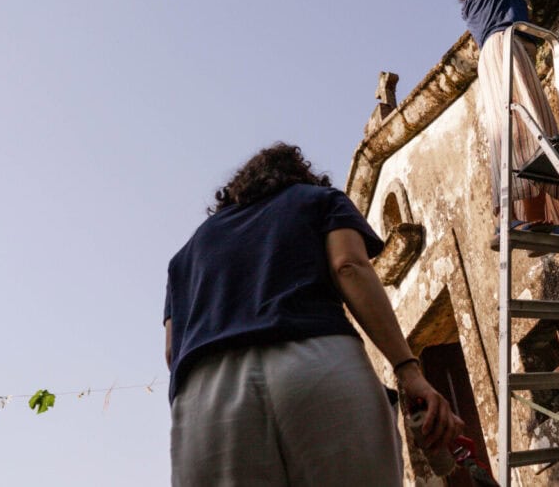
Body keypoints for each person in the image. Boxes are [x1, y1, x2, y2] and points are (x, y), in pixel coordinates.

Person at [163, 143, 463, 486]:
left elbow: (173, 352)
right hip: (316, 362)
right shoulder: (318, 200)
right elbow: (348, 266)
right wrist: (409, 371)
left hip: (206, 394)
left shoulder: (184, 257)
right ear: (300, 176)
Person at [445, 0, 559, 240]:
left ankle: (533, 220)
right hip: (504, 49)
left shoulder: (479, 1)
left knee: (523, 133)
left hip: (503, 52)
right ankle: (511, 220)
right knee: (525, 129)